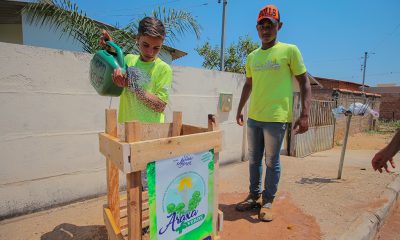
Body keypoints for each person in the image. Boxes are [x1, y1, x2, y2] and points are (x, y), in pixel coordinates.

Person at [235, 4, 311, 222]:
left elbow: (305, 82)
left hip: (277, 118)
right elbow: (248, 85)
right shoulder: (252, 56)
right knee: (253, 160)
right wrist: (240, 109)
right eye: (262, 25)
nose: (266, 29)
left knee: (272, 161)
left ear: (279, 26)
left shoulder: (290, 50)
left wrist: (305, 114)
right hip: (254, 117)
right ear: (257, 28)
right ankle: (253, 196)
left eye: (270, 25)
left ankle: (268, 200)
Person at [99, 16, 173, 124]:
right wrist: (109, 46)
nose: (150, 52)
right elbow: (113, 64)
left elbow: (160, 106)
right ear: (137, 39)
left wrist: (131, 85)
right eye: (145, 45)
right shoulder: (128, 59)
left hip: (151, 134)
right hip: (124, 131)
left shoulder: (164, 69)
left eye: (156, 48)